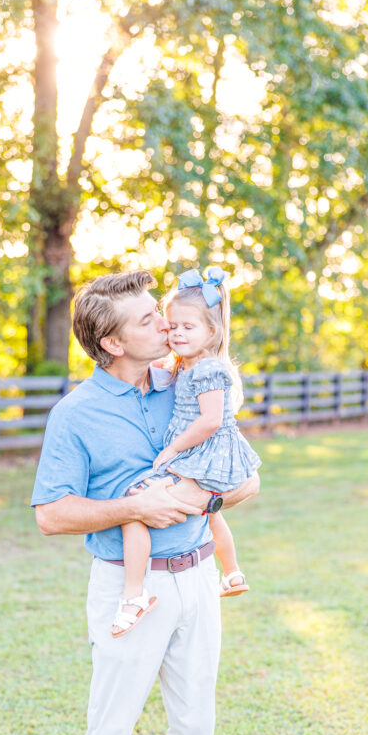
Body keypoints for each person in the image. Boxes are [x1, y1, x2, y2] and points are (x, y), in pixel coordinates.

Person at [31, 270, 260, 735]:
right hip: (128, 587)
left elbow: (246, 479)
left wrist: (199, 500)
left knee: (196, 725)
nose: (165, 325)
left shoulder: (190, 383)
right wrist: (135, 508)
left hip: (199, 576)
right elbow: (51, 515)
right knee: (111, 729)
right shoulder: (75, 414)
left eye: (162, 314)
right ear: (111, 342)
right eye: (147, 320)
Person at [111, 266, 262, 638]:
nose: (177, 333)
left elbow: (210, 421)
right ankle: (233, 572)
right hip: (202, 458)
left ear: (212, 332)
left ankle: (133, 595)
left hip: (204, 456)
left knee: (134, 507)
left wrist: (172, 449)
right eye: (173, 325)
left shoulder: (208, 369)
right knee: (210, 515)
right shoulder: (188, 364)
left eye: (188, 327)